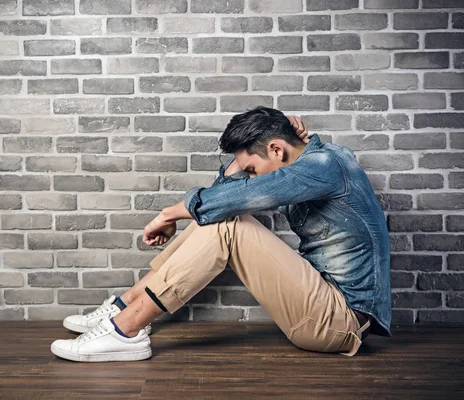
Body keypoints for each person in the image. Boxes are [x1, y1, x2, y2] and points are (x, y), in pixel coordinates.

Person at [51, 106, 391, 362]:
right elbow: (219, 202)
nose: (252, 178)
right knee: (220, 219)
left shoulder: (327, 165)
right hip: (320, 306)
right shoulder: (303, 163)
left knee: (231, 223)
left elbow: (230, 202)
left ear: (275, 148)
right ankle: (123, 310)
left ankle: (125, 330)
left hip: (338, 321)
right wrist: (239, 164)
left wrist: (168, 214)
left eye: (252, 170)